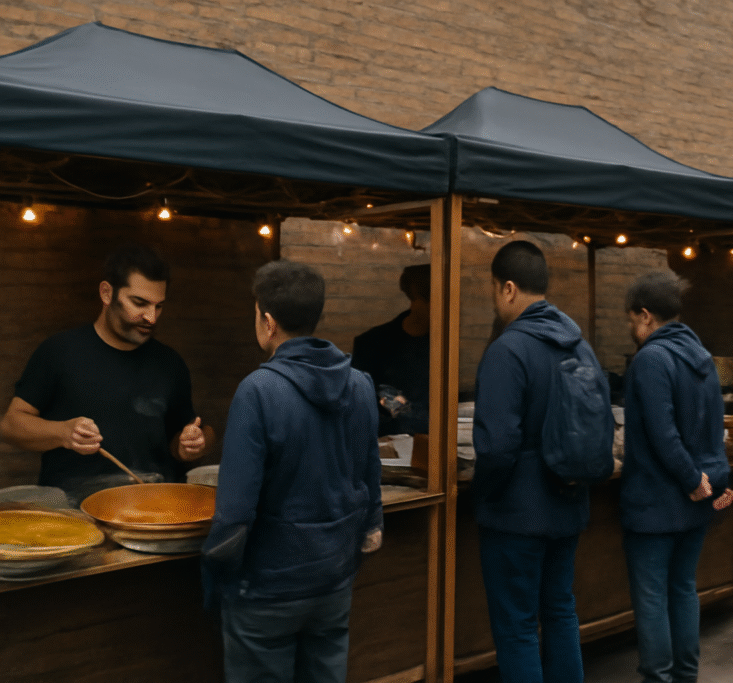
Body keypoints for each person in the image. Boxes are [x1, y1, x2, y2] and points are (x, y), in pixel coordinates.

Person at [202, 260, 383, 683]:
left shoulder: (258, 391)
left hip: (268, 590)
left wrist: (215, 578)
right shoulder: (361, 384)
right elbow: (369, 470)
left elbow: (234, 513)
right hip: (334, 580)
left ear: (267, 322)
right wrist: (371, 526)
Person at [472, 240, 611, 683]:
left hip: (515, 514)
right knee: (559, 611)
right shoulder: (580, 346)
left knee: (516, 627)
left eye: (493, 290)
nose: (494, 299)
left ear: (508, 288)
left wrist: (485, 494)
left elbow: (495, 447)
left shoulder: (507, 350)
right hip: (568, 504)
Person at [0, 244, 210, 504]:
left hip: (153, 506)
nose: (151, 317)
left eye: (159, 306)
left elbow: (181, 440)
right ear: (107, 293)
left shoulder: (169, 362)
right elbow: (11, 425)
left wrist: (192, 444)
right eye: (139, 303)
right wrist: (63, 432)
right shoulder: (60, 351)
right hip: (75, 508)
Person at [620, 272, 733, 683]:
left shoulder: (651, 359)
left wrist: (690, 479)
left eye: (632, 320)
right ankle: (685, 675)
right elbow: (711, 426)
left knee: (652, 596)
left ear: (646, 317)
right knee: (683, 587)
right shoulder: (702, 357)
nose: (632, 330)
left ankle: (660, 677)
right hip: (696, 499)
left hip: (658, 498)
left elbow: (662, 433)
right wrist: (701, 483)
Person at [351, 264, 431, 436]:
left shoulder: (444, 345)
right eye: (432, 302)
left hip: (432, 444)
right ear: (416, 302)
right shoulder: (372, 343)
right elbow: (361, 405)